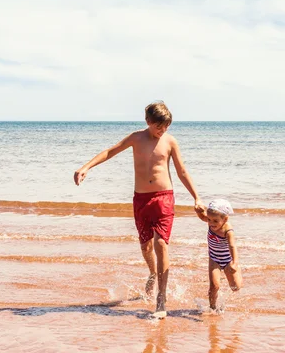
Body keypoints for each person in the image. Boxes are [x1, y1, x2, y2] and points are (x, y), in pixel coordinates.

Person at [74, 101, 204, 318]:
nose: (162, 130)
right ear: (148, 122)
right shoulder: (136, 138)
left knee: (161, 244)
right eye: (158, 126)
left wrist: (196, 197)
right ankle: (153, 272)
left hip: (164, 198)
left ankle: (161, 300)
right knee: (146, 247)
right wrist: (85, 167)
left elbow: (181, 171)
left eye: (166, 126)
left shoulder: (170, 142)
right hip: (141, 200)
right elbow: (110, 151)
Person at [195, 198, 243, 313]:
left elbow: (232, 247)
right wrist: (198, 210)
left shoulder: (228, 231)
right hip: (214, 259)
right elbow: (202, 217)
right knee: (214, 286)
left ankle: (237, 271)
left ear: (225, 219)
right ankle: (212, 308)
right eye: (209, 220)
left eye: (215, 221)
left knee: (235, 287)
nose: (211, 223)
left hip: (227, 260)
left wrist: (234, 263)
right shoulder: (211, 222)